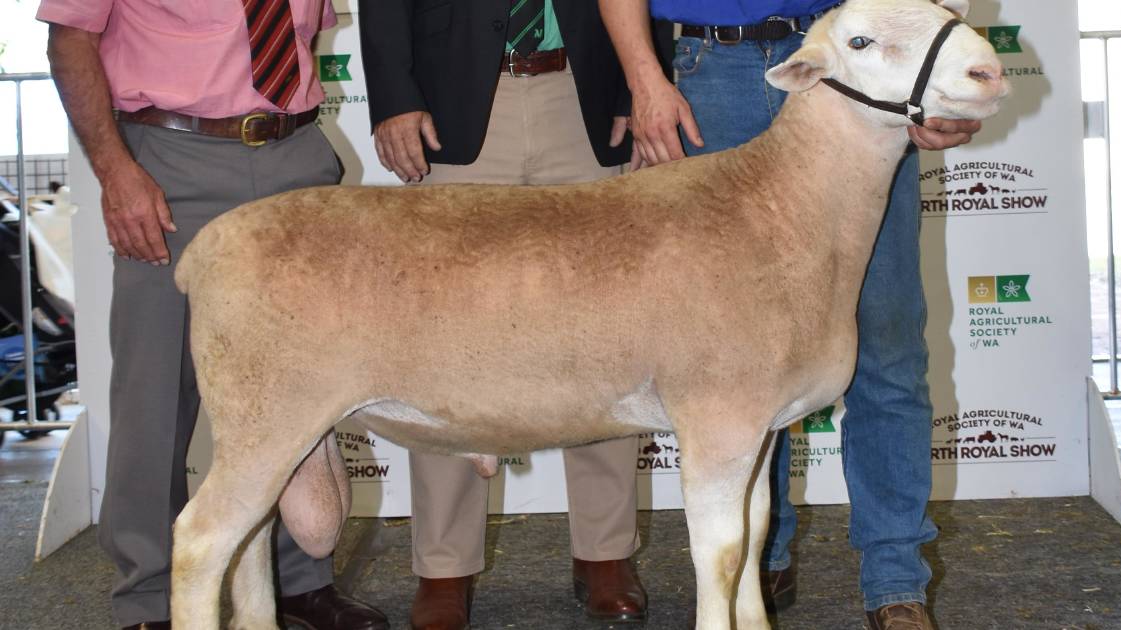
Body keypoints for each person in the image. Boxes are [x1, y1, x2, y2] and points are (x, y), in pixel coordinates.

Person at [599, 1, 982, 628]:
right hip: (705, 69)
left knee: (885, 341)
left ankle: (895, 581)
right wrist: (645, 80)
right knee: (736, 360)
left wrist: (939, 71)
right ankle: (757, 563)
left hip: (853, 64)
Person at [38, 1, 389, 628]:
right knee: (157, 395)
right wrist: (116, 173)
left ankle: (300, 582)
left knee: (305, 388)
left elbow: (302, 35)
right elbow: (70, 41)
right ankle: (149, 597)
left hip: (297, 156)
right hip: (172, 164)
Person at [358, 2, 669, 628]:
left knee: (603, 339)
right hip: (455, 101)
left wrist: (640, 83)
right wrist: (393, 94)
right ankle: (445, 566)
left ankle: (605, 554)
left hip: (585, 95)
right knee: (447, 348)